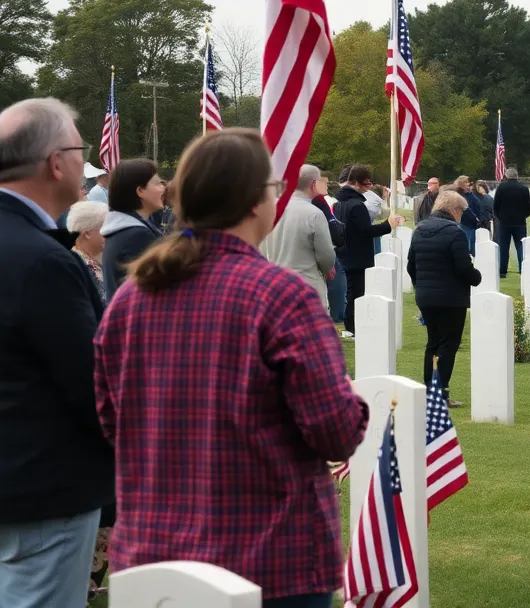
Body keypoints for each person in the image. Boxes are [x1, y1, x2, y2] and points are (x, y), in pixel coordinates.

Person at [94, 129, 368, 606]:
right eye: (273, 188)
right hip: (270, 560)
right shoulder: (281, 297)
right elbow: (337, 433)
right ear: (252, 201)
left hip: (155, 557)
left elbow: (110, 421)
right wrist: (352, 401)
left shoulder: (131, 300)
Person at [0, 99, 114, 608]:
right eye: (80, 148)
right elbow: (92, 383)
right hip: (42, 493)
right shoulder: (44, 259)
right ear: (55, 162)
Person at [407, 190, 482, 407]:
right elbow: (463, 267)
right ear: (454, 210)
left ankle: (430, 389)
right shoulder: (454, 232)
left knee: (433, 342)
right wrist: (476, 277)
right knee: (448, 344)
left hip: (426, 296)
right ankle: (441, 393)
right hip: (451, 298)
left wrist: (420, 286)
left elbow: (411, 265)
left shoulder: (419, 230)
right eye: (461, 212)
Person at [333, 165, 405, 338]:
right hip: (357, 255)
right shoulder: (357, 205)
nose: (370, 187)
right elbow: (366, 231)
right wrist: (388, 225)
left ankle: (350, 326)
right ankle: (352, 327)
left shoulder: (339, 204)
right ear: (357, 183)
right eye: (367, 183)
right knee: (356, 293)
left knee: (352, 291)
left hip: (345, 252)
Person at [261, 164, 336, 310]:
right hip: (306, 282)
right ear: (314, 184)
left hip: (275, 282)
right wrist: (328, 269)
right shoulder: (314, 214)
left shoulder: (271, 210)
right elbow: (325, 254)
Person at [101, 158, 165, 299]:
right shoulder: (136, 235)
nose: (163, 187)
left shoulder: (121, 229)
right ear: (140, 190)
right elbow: (151, 290)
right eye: (158, 183)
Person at [310, 173, 346, 324]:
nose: (326, 184)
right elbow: (331, 229)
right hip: (319, 252)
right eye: (323, 182)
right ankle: (337, 317)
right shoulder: (318, 202)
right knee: (337, 281)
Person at [492, 167, 530, 276]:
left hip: (504, 222)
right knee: (520, 246)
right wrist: (524, 215)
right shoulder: (524, 189)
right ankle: (522, 269)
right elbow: (528, 207)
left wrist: (499, 216)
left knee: (504, 247)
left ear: (506, 175)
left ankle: (502, 271)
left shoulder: (501, 188)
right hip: (519, 222)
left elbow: (496, 205)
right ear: (517, 176)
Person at [69, 200, 109, 305]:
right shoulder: (82, 266)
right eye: (105, 228)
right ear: (87, 233)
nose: (110, 233)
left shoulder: (92, 260)